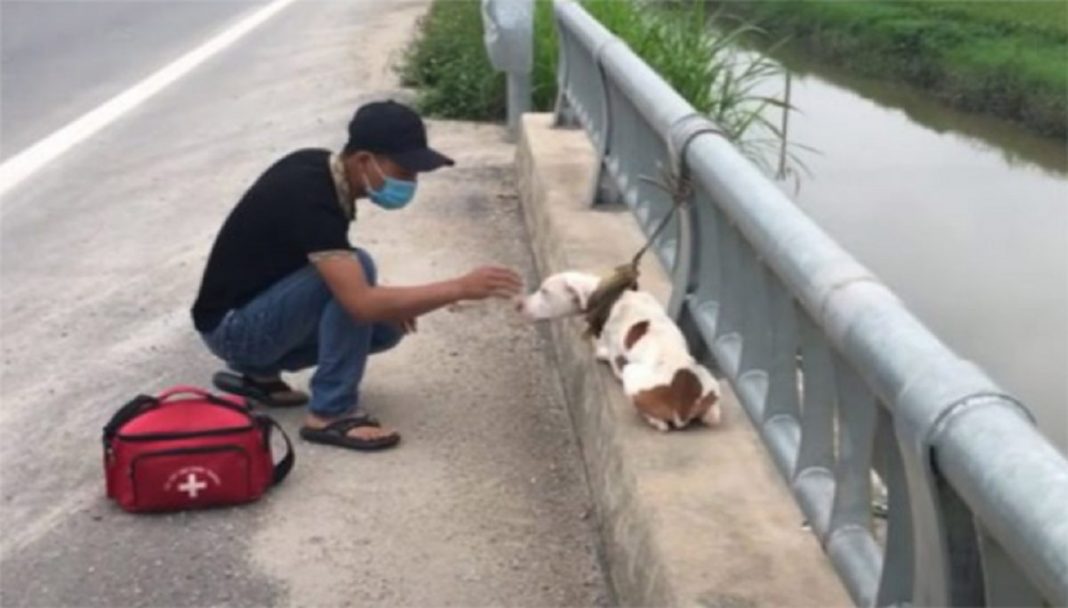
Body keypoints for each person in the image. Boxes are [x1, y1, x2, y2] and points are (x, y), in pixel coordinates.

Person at [191, 100, 523, 451]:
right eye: (405, 171)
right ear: (364, 160)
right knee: (360, 272)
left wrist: (391, 304)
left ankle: (261, 376)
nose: (411, 182)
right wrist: (460, 287)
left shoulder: (320, 169)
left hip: (244, 318)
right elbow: (360, 304)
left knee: (386, 328)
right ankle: (331, 413)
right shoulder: (311, 195)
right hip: (234, 332)